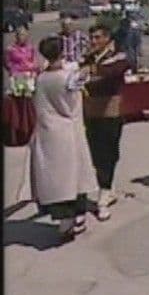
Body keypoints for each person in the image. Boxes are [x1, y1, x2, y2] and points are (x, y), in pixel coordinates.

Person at [30, 36, 97, 240]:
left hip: (47, 132)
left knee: (56, 178)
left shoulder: (41, 78)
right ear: (61, 52)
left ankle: (65, 219)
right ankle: (74, 216)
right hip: (68, 130)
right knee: (74, 175)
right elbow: (76, 86)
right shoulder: (67, 77)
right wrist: (87, 68)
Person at [82, 24, 131, 221]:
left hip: (110, 111)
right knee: (94, 151)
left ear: (107, 39)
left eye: (97, 38)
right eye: (92, 38)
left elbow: (114, 71)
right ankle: (105, 187)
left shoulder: (118, 56)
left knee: (109, 151)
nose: (93, 41)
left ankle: (105, 191)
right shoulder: (89, 57)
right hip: (91, 111)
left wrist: (90, 69)